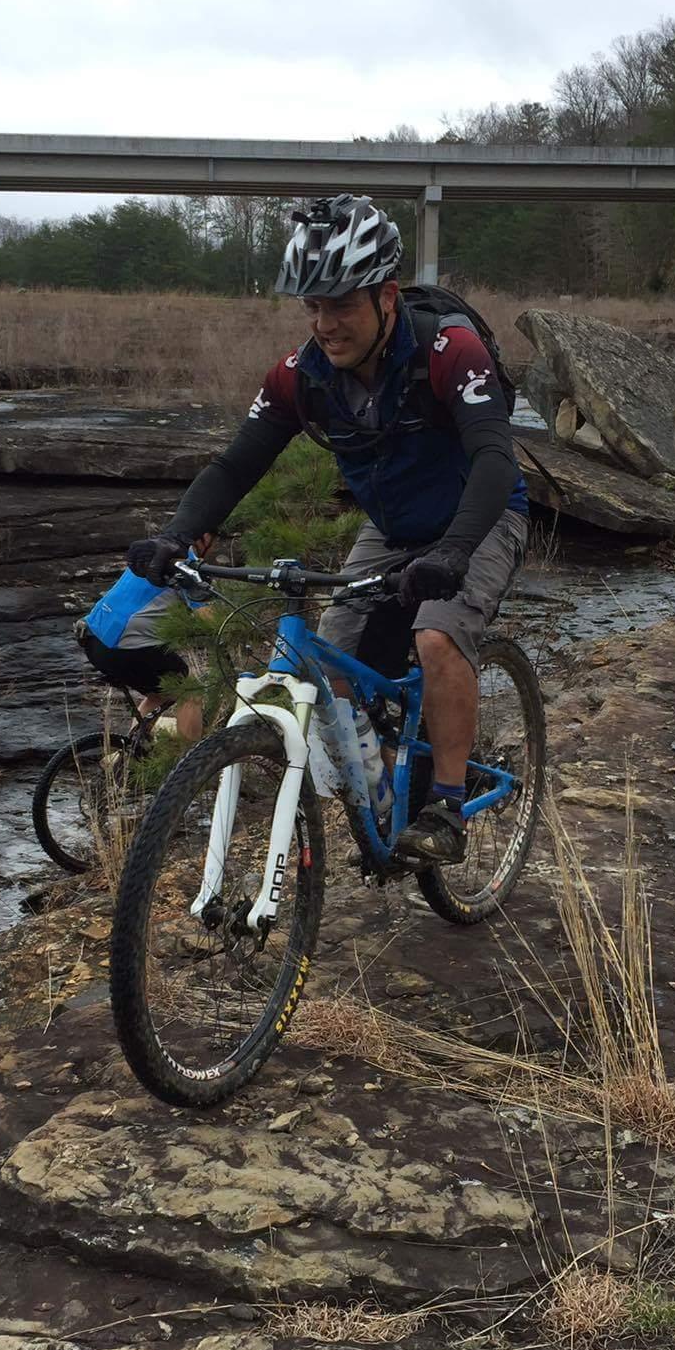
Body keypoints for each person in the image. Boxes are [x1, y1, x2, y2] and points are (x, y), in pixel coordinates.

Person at [126, 193, 529, 862]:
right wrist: (180, 531)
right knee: (329, 672)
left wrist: (457, 549)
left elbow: (492, 455)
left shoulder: (449, 352)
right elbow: (235, 465)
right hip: (393, 528)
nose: (324, 325)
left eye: (340, 305)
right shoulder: (300, 376)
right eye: (313, 307)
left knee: (436, 635)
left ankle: (448, 808)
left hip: (478, 519)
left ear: (387, 298)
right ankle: (390, 774)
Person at [74, 569, 204, 743]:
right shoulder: (187, 567)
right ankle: (192, 765)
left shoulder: (152, 556)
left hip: (93, 640)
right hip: (123, 646)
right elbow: (209, 618)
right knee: (190, 690)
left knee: (159, 695)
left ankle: (130, 753)